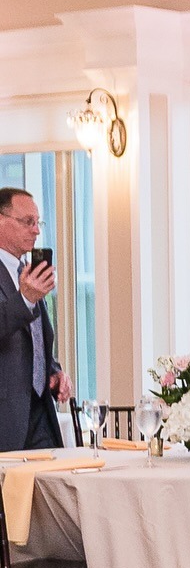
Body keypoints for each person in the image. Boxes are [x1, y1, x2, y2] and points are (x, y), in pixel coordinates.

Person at [0, 188, 73, 453]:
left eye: (37, 222)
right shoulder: (28, 285)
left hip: (41, 411)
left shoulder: (27, 272)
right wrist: (25, 299)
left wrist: (54, 372)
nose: (36, 231)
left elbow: (37, 339)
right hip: (6, 417)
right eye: (27, 222)